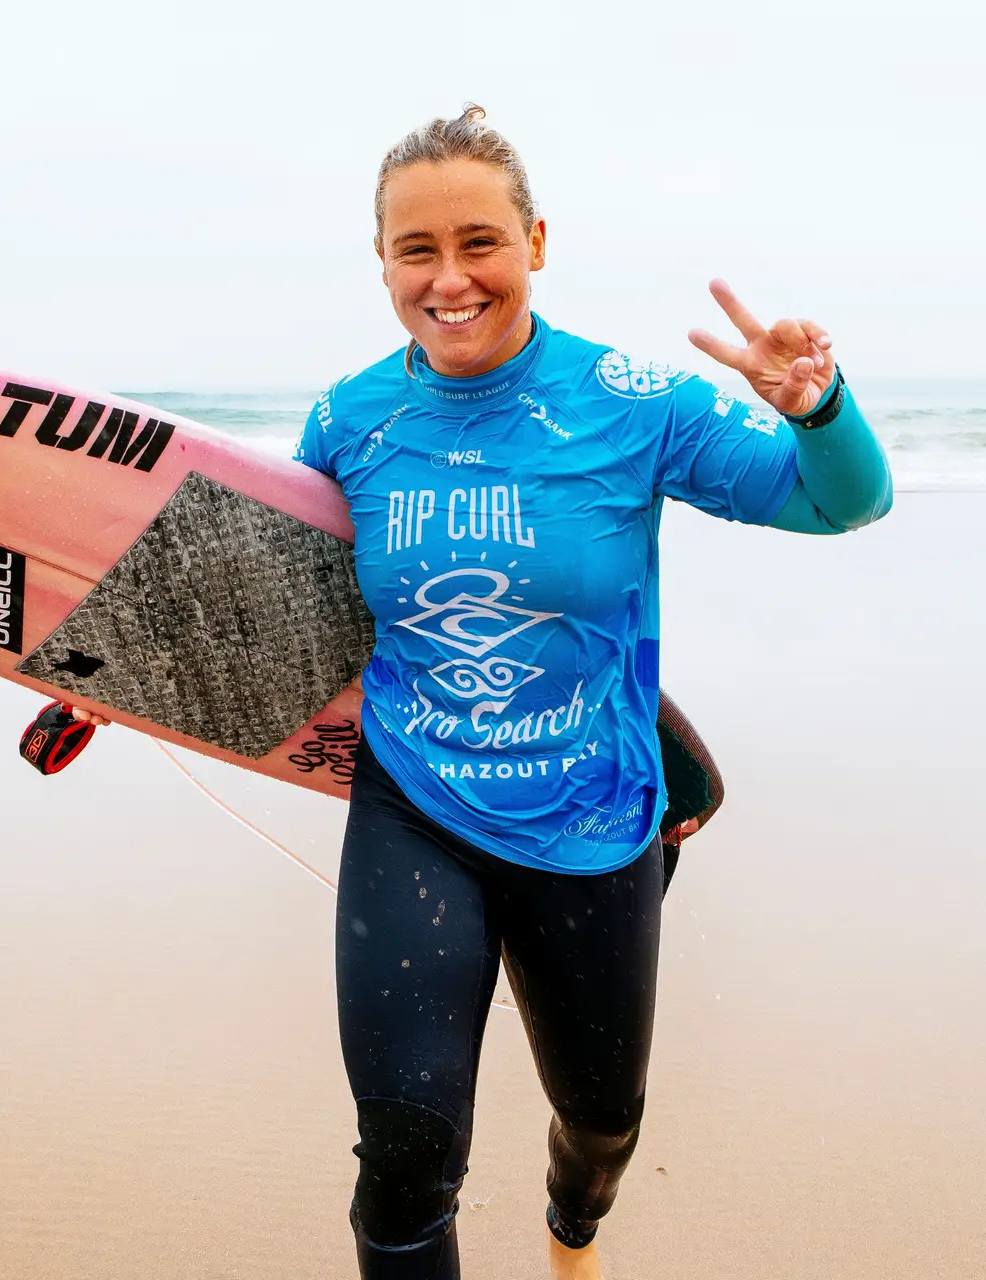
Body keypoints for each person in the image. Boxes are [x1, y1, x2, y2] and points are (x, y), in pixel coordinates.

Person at [281, 105, 892, 1279]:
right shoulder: (348, 417)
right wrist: (106, 682)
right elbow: (281, 599)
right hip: (416, 802)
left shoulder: (629, 401)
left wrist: (818, 408)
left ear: (536, 242)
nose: (450, 278)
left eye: (480, 242)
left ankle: (573, 1231)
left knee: (603, 1119)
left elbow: (842, 501)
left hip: (595, 812)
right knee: (404, 1157)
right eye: (417, 250)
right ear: (383, 263)